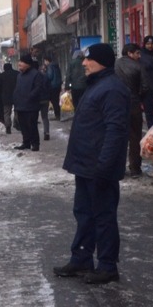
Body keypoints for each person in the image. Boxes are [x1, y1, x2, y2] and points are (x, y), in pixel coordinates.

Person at [53, 43, 130, 284]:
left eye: (89, 60)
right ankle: (81, 258)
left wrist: (104, 167)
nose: (84, 63)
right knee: (84, 213)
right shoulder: (97, 85)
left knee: (103, 216)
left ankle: (107, 265)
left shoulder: (113, 89)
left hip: (99, 168)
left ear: (102, 62)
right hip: (86, 165)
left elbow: (115, 131)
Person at [115, 44, 149, 178]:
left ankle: (118, 168)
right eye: (137, 53)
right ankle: (135, 168)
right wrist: (139, 96)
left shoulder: (115, 65)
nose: (139, 56)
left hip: (117, 105)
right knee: (135, 137)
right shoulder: (139, 66)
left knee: (118, 136)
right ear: (130, 53)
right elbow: (145, 87)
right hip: (134, 104)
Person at [13, 52, 48, 151]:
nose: (19, 64)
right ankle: (26, 142)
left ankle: (35, 144)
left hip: (31, 105)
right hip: (20, 105)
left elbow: (38, 88)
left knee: (32, 125)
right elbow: (17, 89)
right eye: (19, 62)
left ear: (27, 63)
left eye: (21, 62)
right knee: (23, 126)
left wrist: (29, 97)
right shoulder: (19, 75)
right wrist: (15, 99)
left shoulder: (36, 74)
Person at [0, 61, 18, 135]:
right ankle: (16, 123)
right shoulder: (17, 74)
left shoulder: (1, 75)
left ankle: (8, 127)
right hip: (17, 96)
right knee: (17, 111)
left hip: (6, 97)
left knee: (7, 113)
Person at [44, 54, 64, 120]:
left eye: (44, 61)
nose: (44, 63)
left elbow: (49, 76)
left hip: (52, 86)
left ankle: (57, 116)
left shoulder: (50, 66)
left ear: (47, 61)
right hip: (57, 86)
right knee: (56, 100)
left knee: (54, 101)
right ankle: (57, 115)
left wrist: (44, 73)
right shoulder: (56, 66)